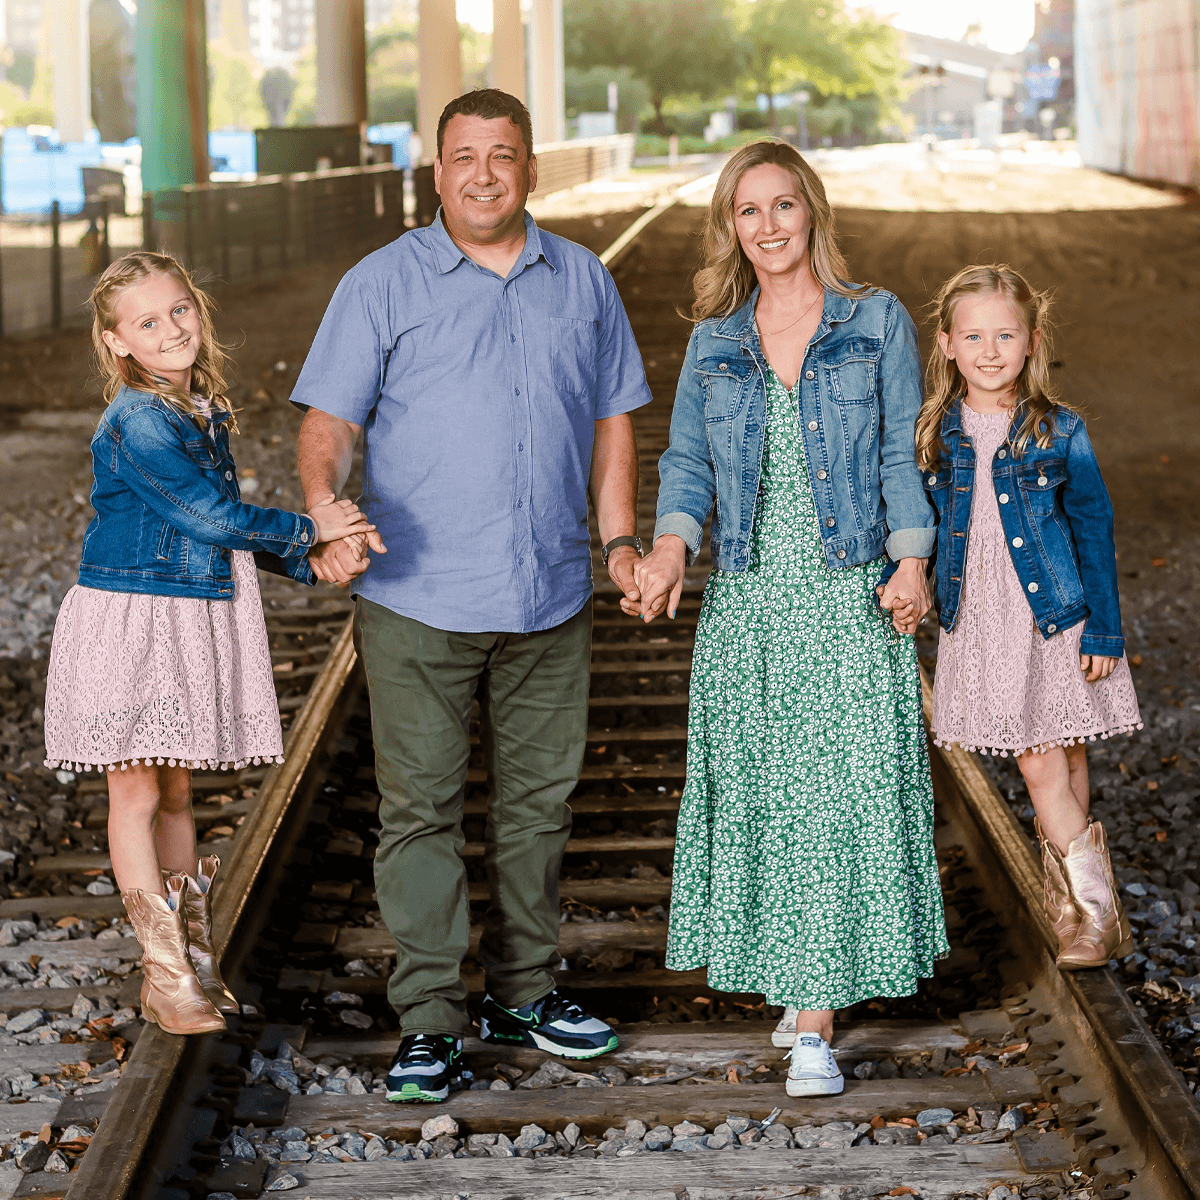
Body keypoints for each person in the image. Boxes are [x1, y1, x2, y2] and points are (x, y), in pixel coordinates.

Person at [291, 88, 651, 1103]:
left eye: (503, 154)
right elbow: (329, 419)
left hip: (549, 591)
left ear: (533, 169)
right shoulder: (382, 284)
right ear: (435, 171)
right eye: (464, 155)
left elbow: (616, 418)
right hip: (418, 595)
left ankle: (527, 990)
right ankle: (432, 1017)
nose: (483, 172)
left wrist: (618, 540)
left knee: (538, 807)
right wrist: (324, 501)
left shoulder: (582, 280)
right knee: (420, 810)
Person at [632, 141, 948, 1098]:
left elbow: (903, 447)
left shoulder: (875, 320)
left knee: (834, 800)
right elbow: (685, 463)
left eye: (782, 205)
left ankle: (814, 1020)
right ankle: (802, 975)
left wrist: (913, 554)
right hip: (753, 601)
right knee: (771, 798)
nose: (768, 226)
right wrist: (672, 549)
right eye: (747, 211)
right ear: (731, 226)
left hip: (847, 595)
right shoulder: (714, 340)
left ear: (812, 210)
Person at [43, 252, 370, 1036]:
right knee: (137, 791)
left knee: (179, 791)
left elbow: (222, 524)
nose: (170, 329)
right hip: (133, 617)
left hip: (182, 612)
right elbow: (209, 518)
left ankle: (194, 958)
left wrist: (308, 557)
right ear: (117, 342)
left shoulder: (197, 407)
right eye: (147, 323)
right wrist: (310, 527)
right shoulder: (139, 420)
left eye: (179, 310)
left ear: (198, 310)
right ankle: (164, 975)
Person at [913, 264, 1141, 969]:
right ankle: (1080, 908)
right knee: (1054, 761)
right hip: (983, 621)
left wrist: (1104, 626)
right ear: (947, 343)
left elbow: (1093, 528)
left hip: (1054, 618)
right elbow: (922, 521)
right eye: (974, 335)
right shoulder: (936, 432)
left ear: (1032, 340)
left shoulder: (1058, 429)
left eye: (1005, 335)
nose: (990, 350)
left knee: (1056, 758)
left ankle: (1094, 917)